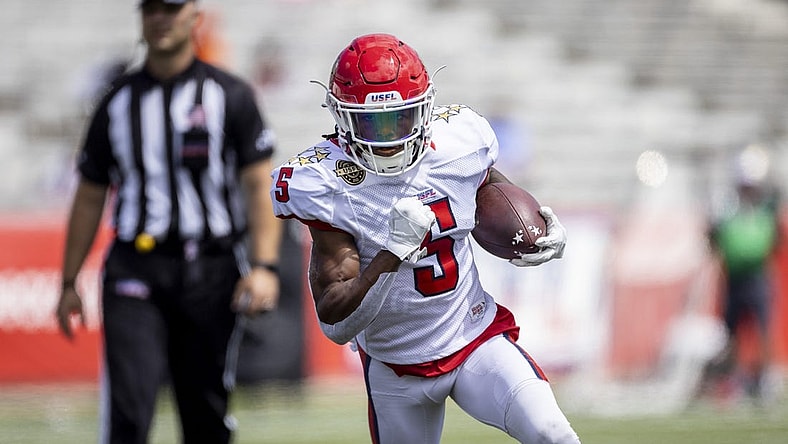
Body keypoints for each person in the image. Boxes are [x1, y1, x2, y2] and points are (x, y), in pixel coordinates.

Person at [270, 33, 580, 444]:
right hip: (395, 366)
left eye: (400, 118)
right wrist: (389, 255)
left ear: (425, 109)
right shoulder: (327, 182)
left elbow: (488, 187)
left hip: (473, 338)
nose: (389, 137)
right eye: (371, 123)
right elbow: (337, 324)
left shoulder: (458, 143)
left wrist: (535, 227)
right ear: (340, 116)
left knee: (553, 433)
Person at [55, 1, 282, 443]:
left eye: (172, 8)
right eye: (151, 9)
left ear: (194, 17)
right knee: (129, 411)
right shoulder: (116, 101)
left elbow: (259, 184)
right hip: (135, 268)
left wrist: (264, 266)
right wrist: (68, 282)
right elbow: (89, 194)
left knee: (204, 413)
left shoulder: (229, 94)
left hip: (211, 269)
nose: (161, 18)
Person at [705, 146, 781, 402]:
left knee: (762, 330)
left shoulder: (765, 207)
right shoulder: (728, 207)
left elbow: (774, 239)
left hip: (757, 276)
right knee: (731, 334)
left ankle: (764, 380)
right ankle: (734, 380)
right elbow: (713, 237)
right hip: (734, 277)